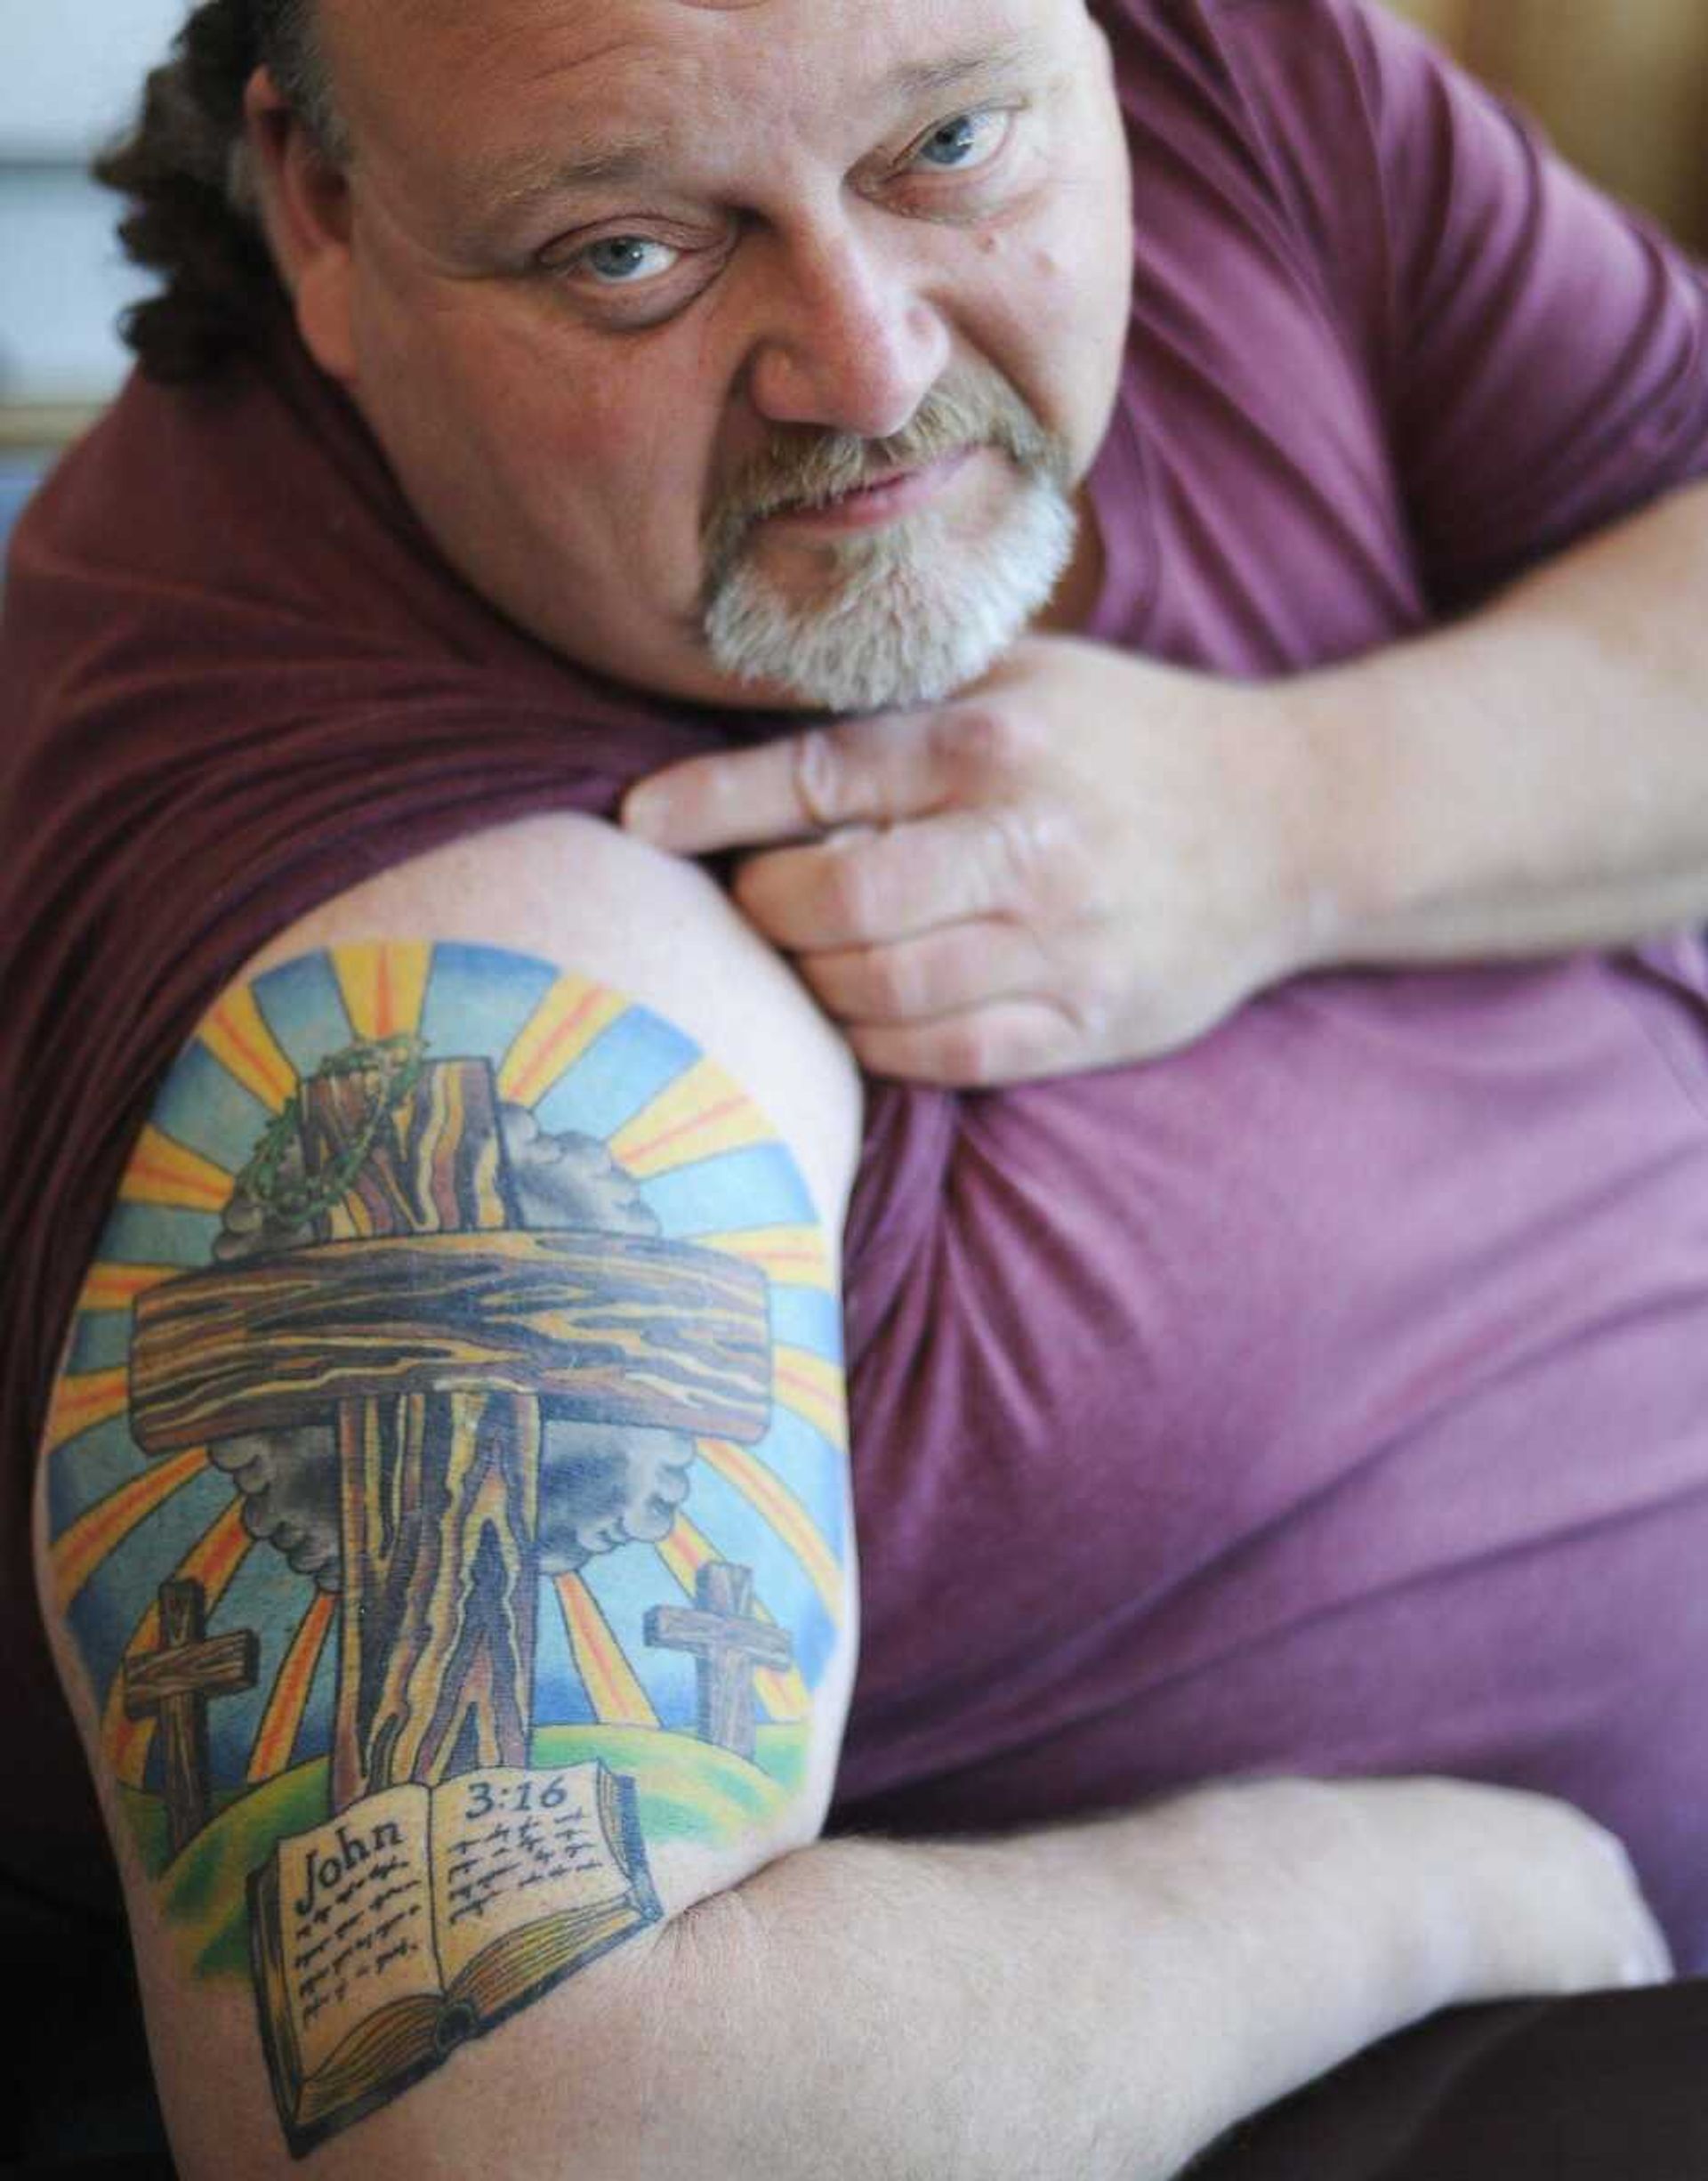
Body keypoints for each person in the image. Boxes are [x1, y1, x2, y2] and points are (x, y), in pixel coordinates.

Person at [4, 0, 1708, 2172]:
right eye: (633, 251)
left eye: (957, 145)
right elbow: (487, 2115)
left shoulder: (1225, 68)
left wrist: (1297, 822)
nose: (870, 366)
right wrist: (1453, 1894)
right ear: (323, 212)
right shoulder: (445, 981)